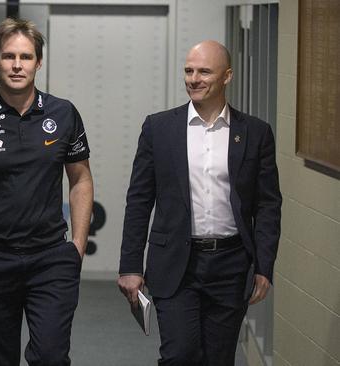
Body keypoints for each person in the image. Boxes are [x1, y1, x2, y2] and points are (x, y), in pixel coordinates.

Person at [117, 40, 282, 365]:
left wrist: (264, 265)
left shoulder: (255, 133)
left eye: (204, 71)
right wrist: (130, 265)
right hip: (176, 262)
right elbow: (139, 200)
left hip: (231, 265)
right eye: (189, 71)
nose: (194, 78)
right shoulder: (159, 128)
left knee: (218, 358)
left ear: (227, 76)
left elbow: (267, 205)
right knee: (180, 355)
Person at [0, 18, 94, 366]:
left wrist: (77, 248)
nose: (17, 65)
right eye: (9, 56)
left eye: (25, 57)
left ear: (38, 62)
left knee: (51, 357)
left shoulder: (64, 113)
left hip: (51, 259)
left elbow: (81, 180)